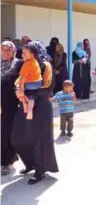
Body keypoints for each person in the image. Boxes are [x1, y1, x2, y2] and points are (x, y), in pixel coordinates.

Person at [11, 41, 59, 185]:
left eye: (28, 51)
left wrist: (27, 93)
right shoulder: (23, 63)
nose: (24, 54)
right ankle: (30, 163)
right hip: (24, 103)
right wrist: (18, 92)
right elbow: (16, 81)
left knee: (40, 139)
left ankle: (40, 170)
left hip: (41, 106)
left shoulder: (46, 65)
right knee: (17, 137)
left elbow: (48, 88)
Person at [1, 41, 20, 176]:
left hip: (10, 104)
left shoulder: (18, 64)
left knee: (7, 133)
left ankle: (8, 162)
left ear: (13, 51)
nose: (5, 52)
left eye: (8, 50)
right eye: (3, 50)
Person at [17, 43, 43, 120]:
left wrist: (21, 88)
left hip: (30, 84)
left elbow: (23, 78)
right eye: (22, 53)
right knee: (32, 98)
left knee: (19, 92)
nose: (22, 55)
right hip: (38, 83)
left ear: (32, 54)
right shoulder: (35, 61)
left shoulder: (27, 64)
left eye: (25, 53)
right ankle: (29, 110)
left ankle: (27, 109)